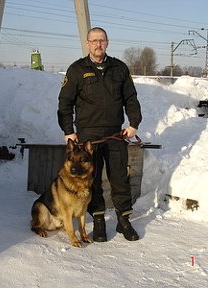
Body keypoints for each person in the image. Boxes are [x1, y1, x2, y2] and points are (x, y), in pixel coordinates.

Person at [57, 27, 142, 242]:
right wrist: (68, 131)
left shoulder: (119, 68)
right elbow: (65, 102)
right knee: (91, 181)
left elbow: (131, 98)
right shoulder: (77, 69)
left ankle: (124, 220)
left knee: (119, 179)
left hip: (115, 134)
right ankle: (98, 220)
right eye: (94, 41)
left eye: (101, 40)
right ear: (87, 44)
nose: (98, 44)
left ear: (107, 42)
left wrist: (133, 123)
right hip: (88, 139)